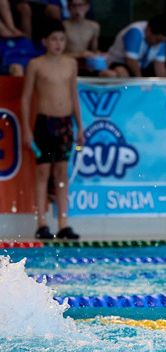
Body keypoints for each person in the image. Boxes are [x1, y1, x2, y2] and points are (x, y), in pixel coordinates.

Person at [20, 19, 82, 240]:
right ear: (45, 41)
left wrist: (80, 127)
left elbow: (74, 96)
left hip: (65, 125)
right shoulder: (36, 64)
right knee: (42, 173)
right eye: (54, 39)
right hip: (44, 124)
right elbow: (26, 98)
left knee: (61, 173)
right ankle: (41, 222)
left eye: (62, 39)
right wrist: (27, 130)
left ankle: (63, 222)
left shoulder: (71, 64)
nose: (58, 43)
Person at [100, 14, 166, 78]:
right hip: (120, 64)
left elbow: (159, 66)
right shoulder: (135, 32)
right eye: (157, 40)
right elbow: (130, 61)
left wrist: (163, 84)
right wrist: (140, 81)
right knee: (122, 72)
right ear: (149, 30)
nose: (158, 43)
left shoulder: (161, 41)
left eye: (161, 41)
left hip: (143, 67)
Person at [63, 0, 100, 75]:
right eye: (74, 6)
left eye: (80, 5)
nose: (77, 9)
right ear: (68, 8)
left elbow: (94, 51)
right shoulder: (63, 26)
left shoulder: (94, 26)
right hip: (66, 65)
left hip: (87, 66)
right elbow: (56, 55)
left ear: (87, 7)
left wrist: (100, 55)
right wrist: (80, 54)